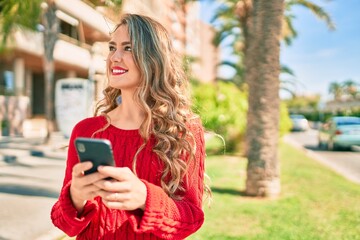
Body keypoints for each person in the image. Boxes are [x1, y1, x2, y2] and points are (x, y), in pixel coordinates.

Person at [51, 13, 209, 240]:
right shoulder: (86, 131)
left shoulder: (183, 131)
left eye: (128, 48)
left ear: (154, 59)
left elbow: (191, 218)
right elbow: (63, 223)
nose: (115, 57)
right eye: (112, 47)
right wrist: (75, 196)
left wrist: (146, 197)